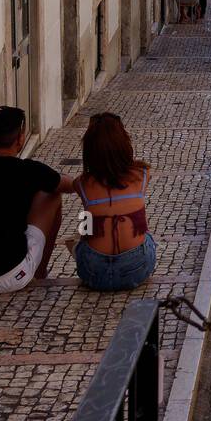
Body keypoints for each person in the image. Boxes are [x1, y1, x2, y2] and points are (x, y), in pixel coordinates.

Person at [0, 106, 76, 294]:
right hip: (9, 276)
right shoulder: (29, 171)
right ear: (20, 138)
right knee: (52, 195)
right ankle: (39, 274)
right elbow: (69, 185)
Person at [69, 114, 156, 292]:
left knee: (84, 224)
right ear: (124, 144)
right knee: (146, 234)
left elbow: (87, 229)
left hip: (94, 273)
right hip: (136, 269)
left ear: (89, 150)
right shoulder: (143, 176)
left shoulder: (81, 184)